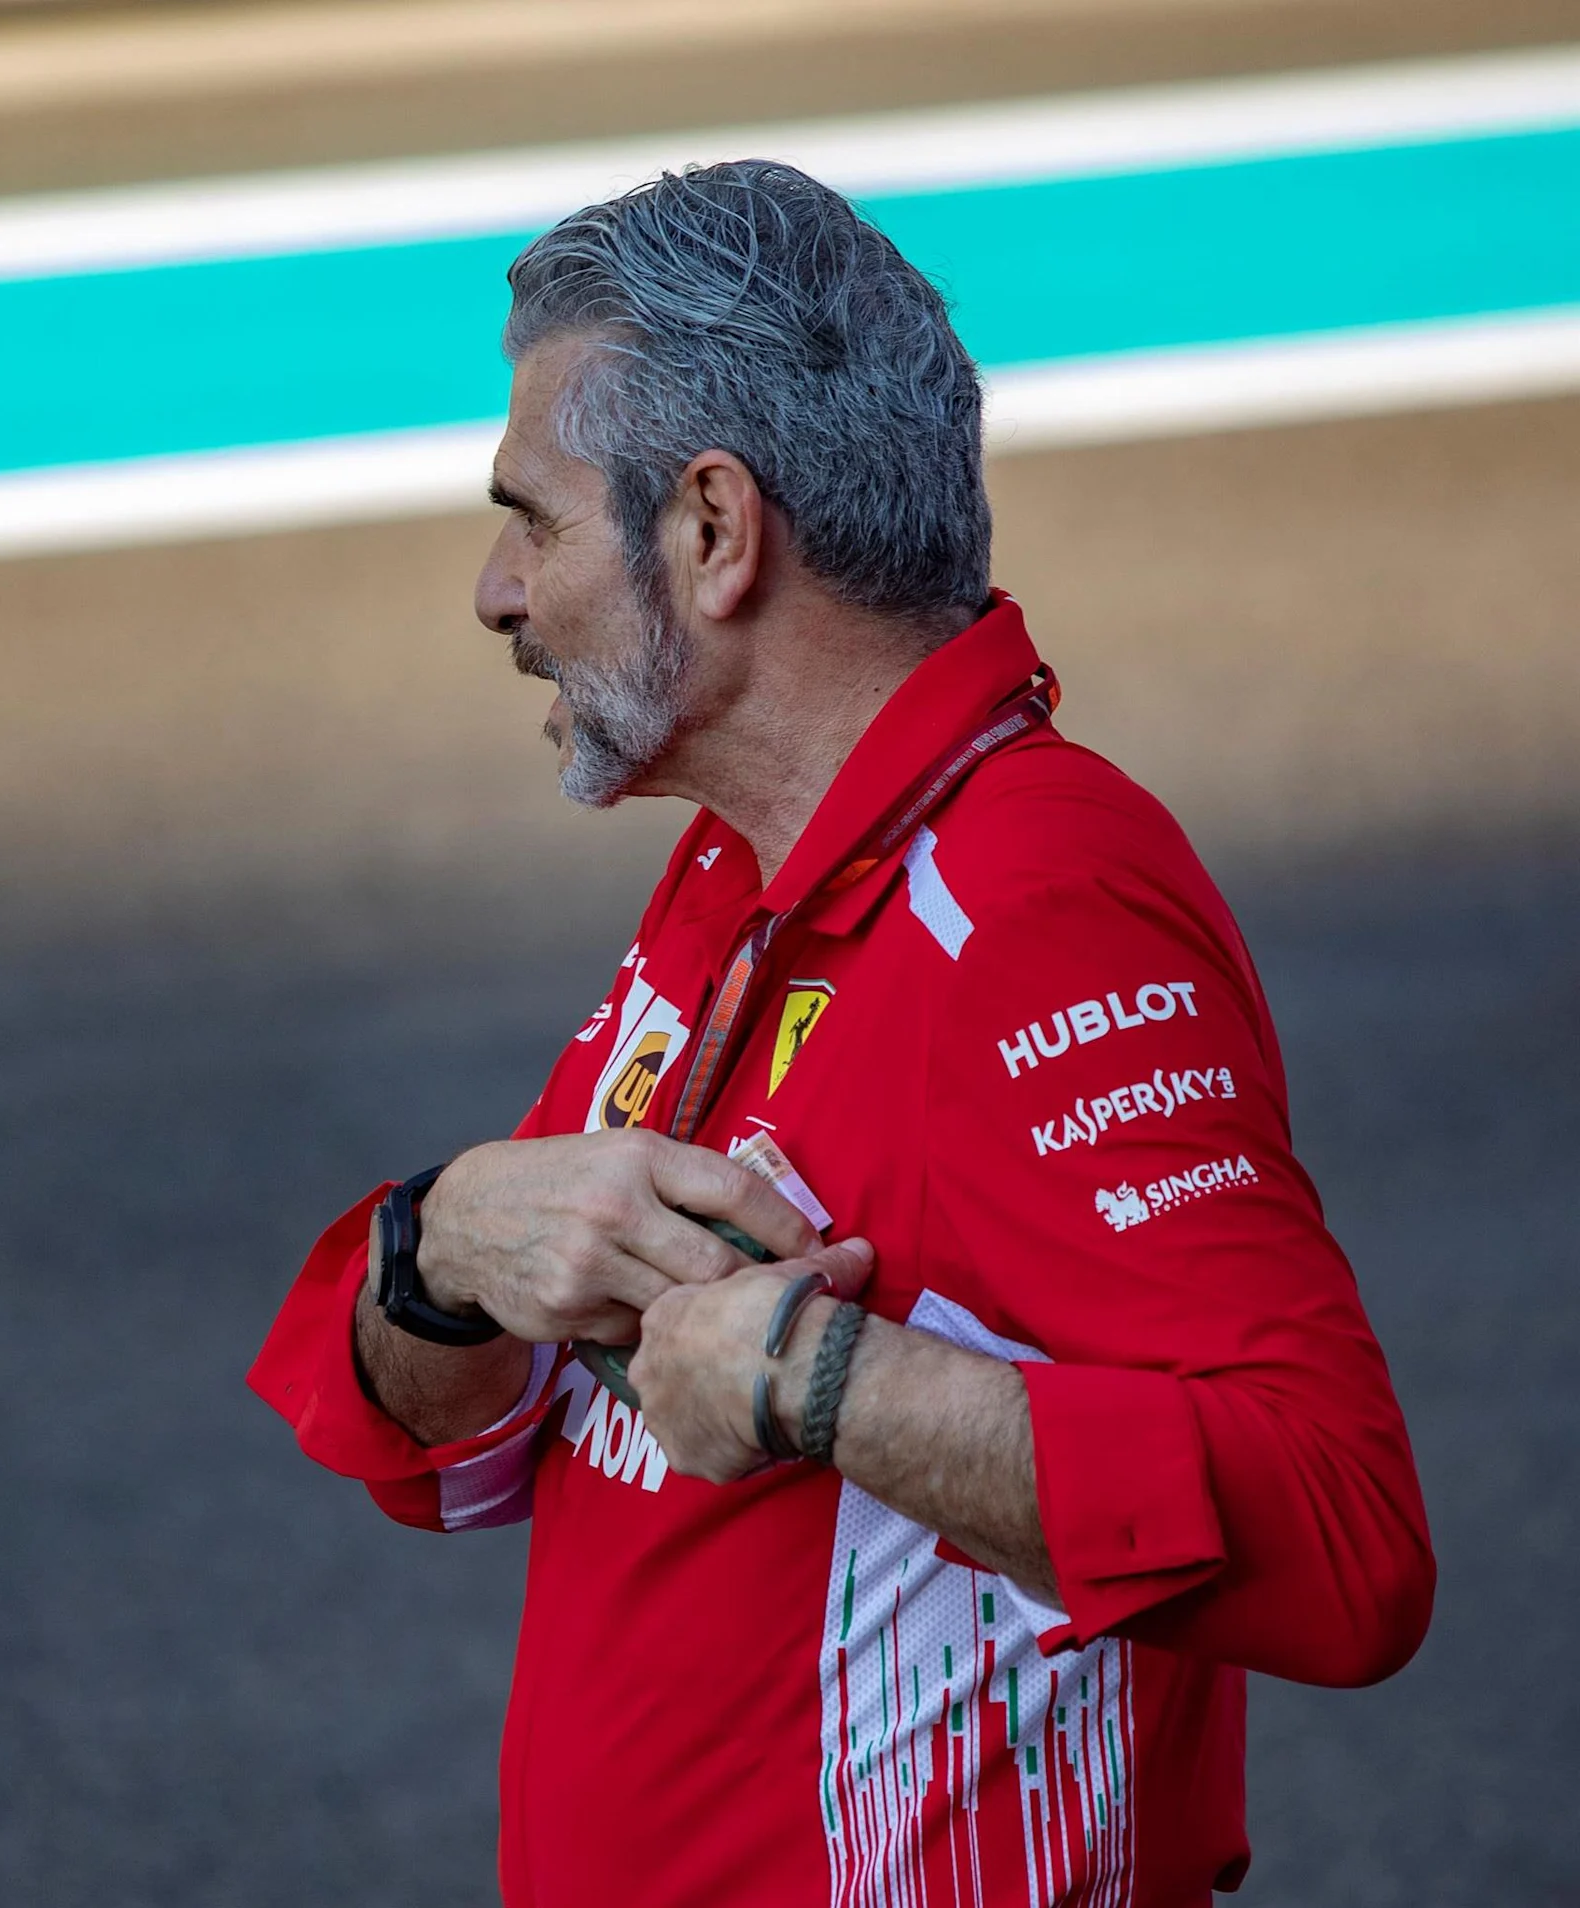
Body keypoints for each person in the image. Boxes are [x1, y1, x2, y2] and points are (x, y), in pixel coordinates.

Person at [246, 160, 1433, 1904]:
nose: (498, 593)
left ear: (712, 532)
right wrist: (440, 1251)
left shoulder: (1034, 904)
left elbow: (1347, 1543)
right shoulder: (746, 873)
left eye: (536, 518)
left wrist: (830, 1388)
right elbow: (447, 1434)